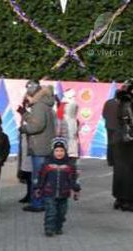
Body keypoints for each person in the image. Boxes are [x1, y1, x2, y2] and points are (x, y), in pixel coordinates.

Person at [19, 81, 57, 212]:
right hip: (45, 145)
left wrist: (24, 129)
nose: (27, 99)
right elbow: (36, 121)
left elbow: (37, 126)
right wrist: (25, 114)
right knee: (44, 176)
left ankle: (38, 203)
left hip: (39, 146)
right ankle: (44, 201)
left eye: (28, 96)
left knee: (38, 177)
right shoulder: (44, 104)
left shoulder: (39, 106)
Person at [103, 79, 133, 212]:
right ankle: (129, 201)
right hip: (129, 141)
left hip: (120, 139)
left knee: (121, 171)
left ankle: (120, 199)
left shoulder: (120, 102)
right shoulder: (130, 103)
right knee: (131, 171)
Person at [35, 138, 81, 236]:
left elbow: (73, 179)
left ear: (65, 151)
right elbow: (41, 177)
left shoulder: (69, 166)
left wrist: (76, 189)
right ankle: (49, 228)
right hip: (49, 193)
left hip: (64, 193)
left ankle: (58, 227)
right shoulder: (47, 165)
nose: (59, 153)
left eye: (61, 151)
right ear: (53, 151)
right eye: (57, 151)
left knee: (61, 213)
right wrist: (38, 188)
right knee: (51, 212)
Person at [16, 95, 33, 203]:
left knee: (31, 171)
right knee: (26, 170)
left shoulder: (34, 111)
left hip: (31, 143)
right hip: (24, 142)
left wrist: (24, 113)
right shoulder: (27, 111)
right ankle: (29, 193)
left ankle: (32, 194)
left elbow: (33, 124)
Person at [57, 88, 80, 162]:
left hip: (67, 123)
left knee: (69, 139)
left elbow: (60, 115)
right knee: (71, 139)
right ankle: (71, 155)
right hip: (70, 123)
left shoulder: (66, 103)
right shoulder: (73, 103)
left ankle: (69, 155)